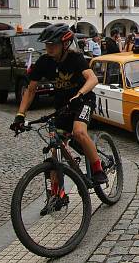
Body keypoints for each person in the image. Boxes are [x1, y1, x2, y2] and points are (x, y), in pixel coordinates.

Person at [10, 23, 106, 185]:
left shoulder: (75, 58)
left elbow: (93, 79)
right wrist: (20, 115)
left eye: (53, 44)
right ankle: (57, 194)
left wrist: (79, 94)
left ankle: (98, 169)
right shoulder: (44, 62)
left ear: (65, 44)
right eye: (47, 44)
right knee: (56, 150)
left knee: (79, 132)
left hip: (83, 101)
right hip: (62, 106)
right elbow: (31, 90)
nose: (49, 48)